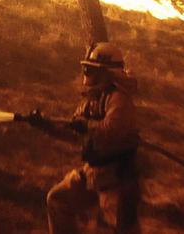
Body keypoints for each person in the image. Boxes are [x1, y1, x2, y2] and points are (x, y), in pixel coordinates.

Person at [46, 42, 141, 234]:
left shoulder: (119, 99)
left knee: (123, 229)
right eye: (86, 69)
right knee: (58, 200)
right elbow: (75, 134)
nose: (87, 74)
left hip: (116, 179)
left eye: (91, 70)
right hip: (92, 172)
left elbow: (112, 129)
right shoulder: (92, 100)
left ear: (107, 73)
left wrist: (86, 125)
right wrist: (46, 126)